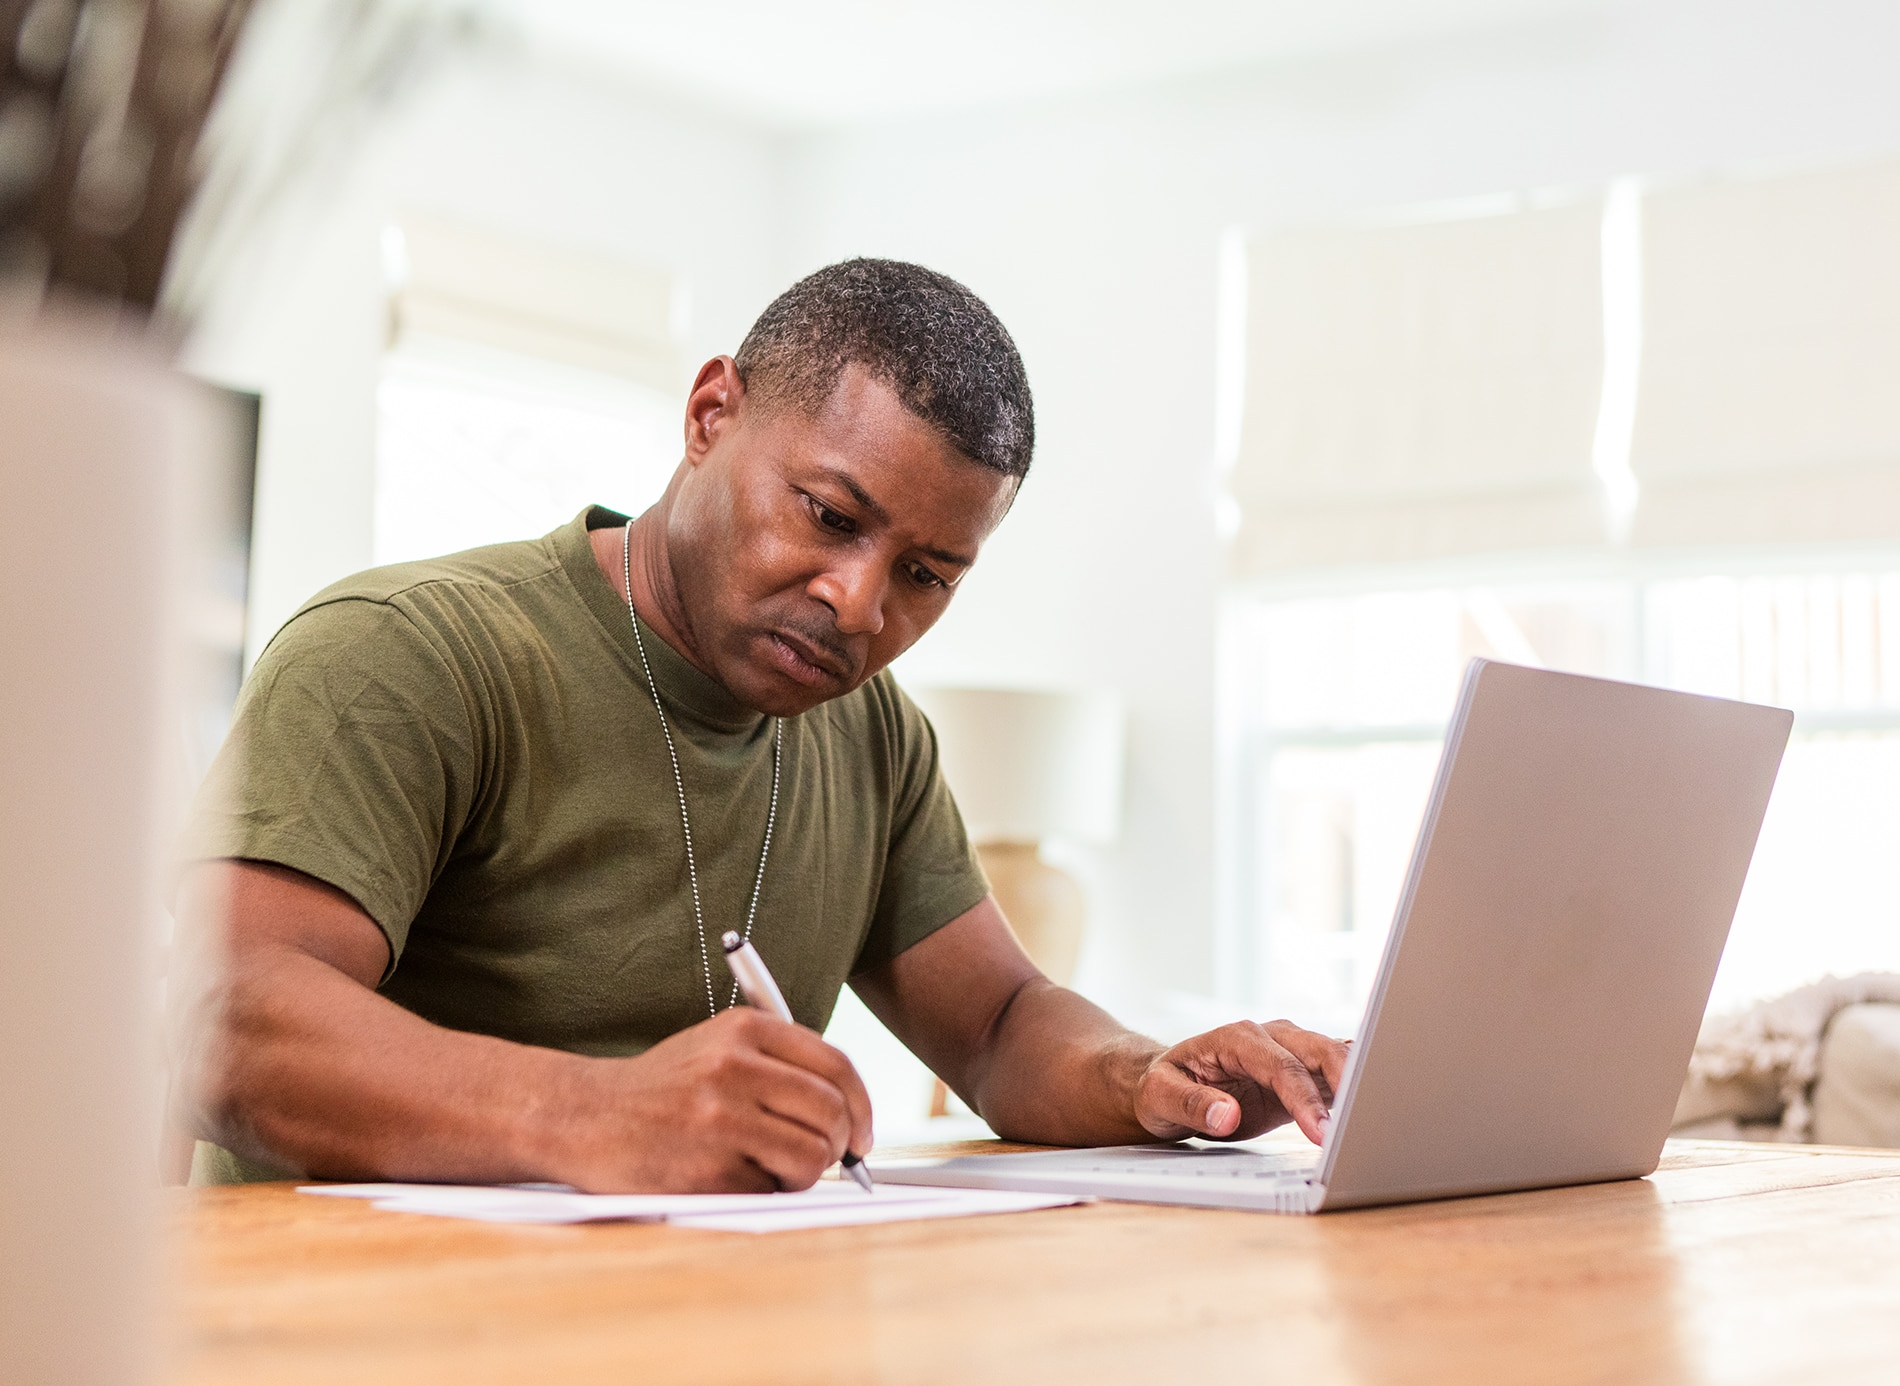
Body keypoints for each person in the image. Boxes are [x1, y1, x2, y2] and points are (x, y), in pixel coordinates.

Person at [170, 258, 1347, 1192]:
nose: (859, 603)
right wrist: (601, 1113)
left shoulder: (871, 732)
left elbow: (994, 1025)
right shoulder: (408, 652)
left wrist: (1146, 1077)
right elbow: (229, 1022)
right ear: (709, 413)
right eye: (830, 514)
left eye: (928, 574)